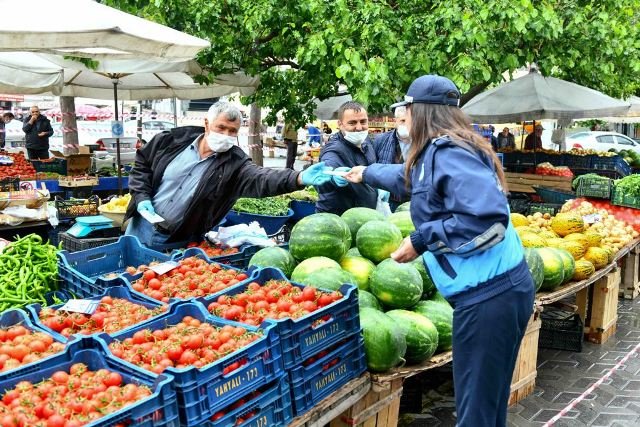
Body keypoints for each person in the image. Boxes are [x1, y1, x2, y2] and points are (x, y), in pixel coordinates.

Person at [345, 75, 534, 427]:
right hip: (499, 292)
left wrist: (420, 240)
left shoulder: (449, 152)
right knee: (486, 406)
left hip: (489, 298)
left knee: (476, 413)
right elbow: (415, 180)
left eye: (407, 111)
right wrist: (367, 172)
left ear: (421, 111)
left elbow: (486, 220)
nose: (404, 119)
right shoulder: (445, 149)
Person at [124, 101, 334, 251]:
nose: (225, 135)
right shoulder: (171, 141)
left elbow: (261, 178)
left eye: (232, 131)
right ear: (207, 124)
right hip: (139, 227)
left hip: (176, 238)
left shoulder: (235, 164)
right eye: (221, 128)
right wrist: (141, 198)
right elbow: (142, 165)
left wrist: (298, 178)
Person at [316, 101, 378, 215]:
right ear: (340, 124)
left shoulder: (367, 142)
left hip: (364, 216)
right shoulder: (334, 149)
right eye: (352, 123)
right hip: (337, 220)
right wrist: (333, 176)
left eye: (363, 121)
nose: (359, 127)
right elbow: (327, 165)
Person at [372, 106, 411, 211]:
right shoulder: (381, 140)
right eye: (402, 120)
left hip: (413, 200)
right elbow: (372, 164)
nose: (406, 124)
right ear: (395, 121)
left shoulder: (422, 141)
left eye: (410, 121)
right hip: (390, 200)